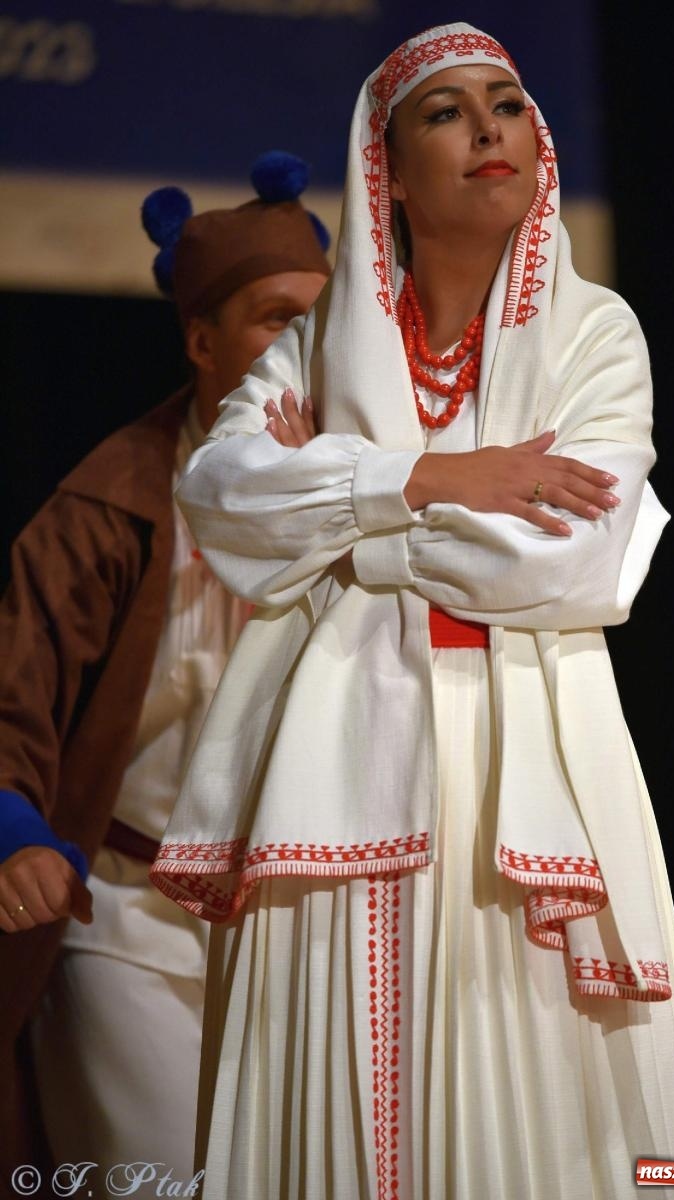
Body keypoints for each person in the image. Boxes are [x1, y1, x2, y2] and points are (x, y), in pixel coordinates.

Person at [153, 24, 674, 1199]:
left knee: (528, 1079)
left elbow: (576, 560)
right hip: (336, 754)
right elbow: (220, 495)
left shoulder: (594, 333)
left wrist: (341, 526)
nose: (487, 128)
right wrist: (426, 479)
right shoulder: (317, 345)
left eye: (507, 104)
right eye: (447, 112)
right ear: (387, 170)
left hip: (520, 741)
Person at [0, 152, 330, 1191]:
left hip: (300, 933)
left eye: (324, 322)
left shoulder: (369, 489)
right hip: (131, 921)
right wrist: (13, 835)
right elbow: (14, 689)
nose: (306, 350)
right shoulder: (110, 507)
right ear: (201, 340)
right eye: (280, 320)